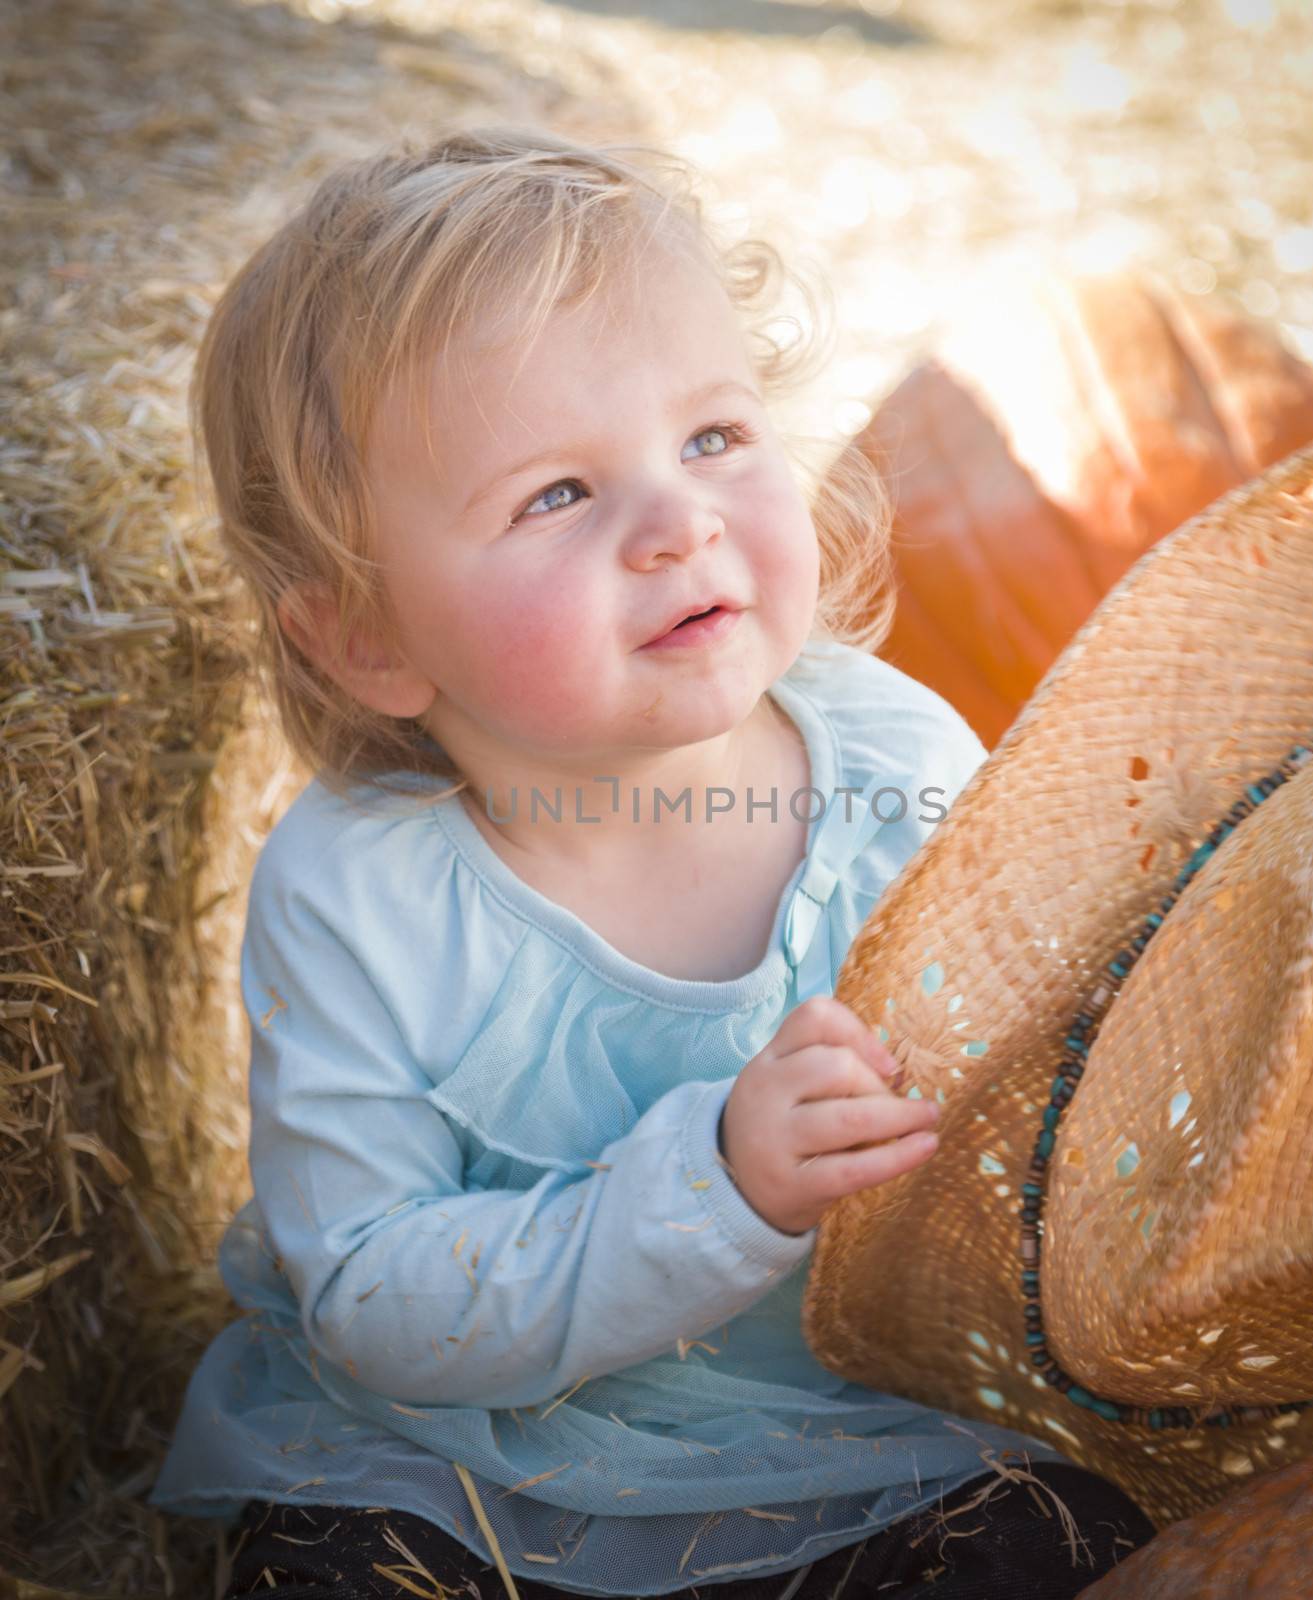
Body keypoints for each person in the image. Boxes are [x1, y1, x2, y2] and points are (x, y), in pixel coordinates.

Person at [149, 125, 1154, 1598]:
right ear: (365, 632)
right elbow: (368, 1291)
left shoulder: (897, 765)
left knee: (1072, 1546)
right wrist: (715, 1190)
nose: (678, 522)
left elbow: (1041, 1089)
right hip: (468, 1461)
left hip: (867, 1436)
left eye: (712, 439)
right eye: (556, 494)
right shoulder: (360, 892)